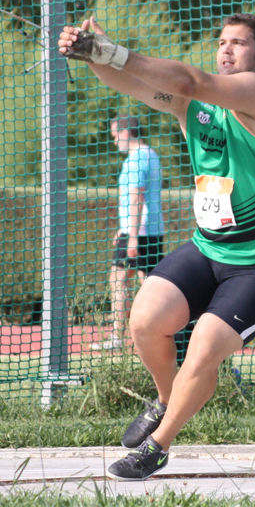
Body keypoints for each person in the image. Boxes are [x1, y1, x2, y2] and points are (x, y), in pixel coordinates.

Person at [59, 13, 255, 480]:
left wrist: (114, 51)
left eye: (238, 43)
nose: (226, 49)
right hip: (209, 248)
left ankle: (158, 445)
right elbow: (133, 84)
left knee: (202, 350)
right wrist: (92, 54)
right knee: (144, 320)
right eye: (221, 42)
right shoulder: (194, 107)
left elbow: (188, 80)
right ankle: (166, 399)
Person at [93, 115, 166, 351]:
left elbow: (136, 198)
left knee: (118, 280)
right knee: (149, 284)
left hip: (140, 232)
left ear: (126, 133)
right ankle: (157, 336)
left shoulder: (136, 159)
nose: (115, 141)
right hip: (149, 230)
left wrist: (132, 236)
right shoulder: (151, 155)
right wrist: (124, 229)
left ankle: (118, 337)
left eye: (115, 136)